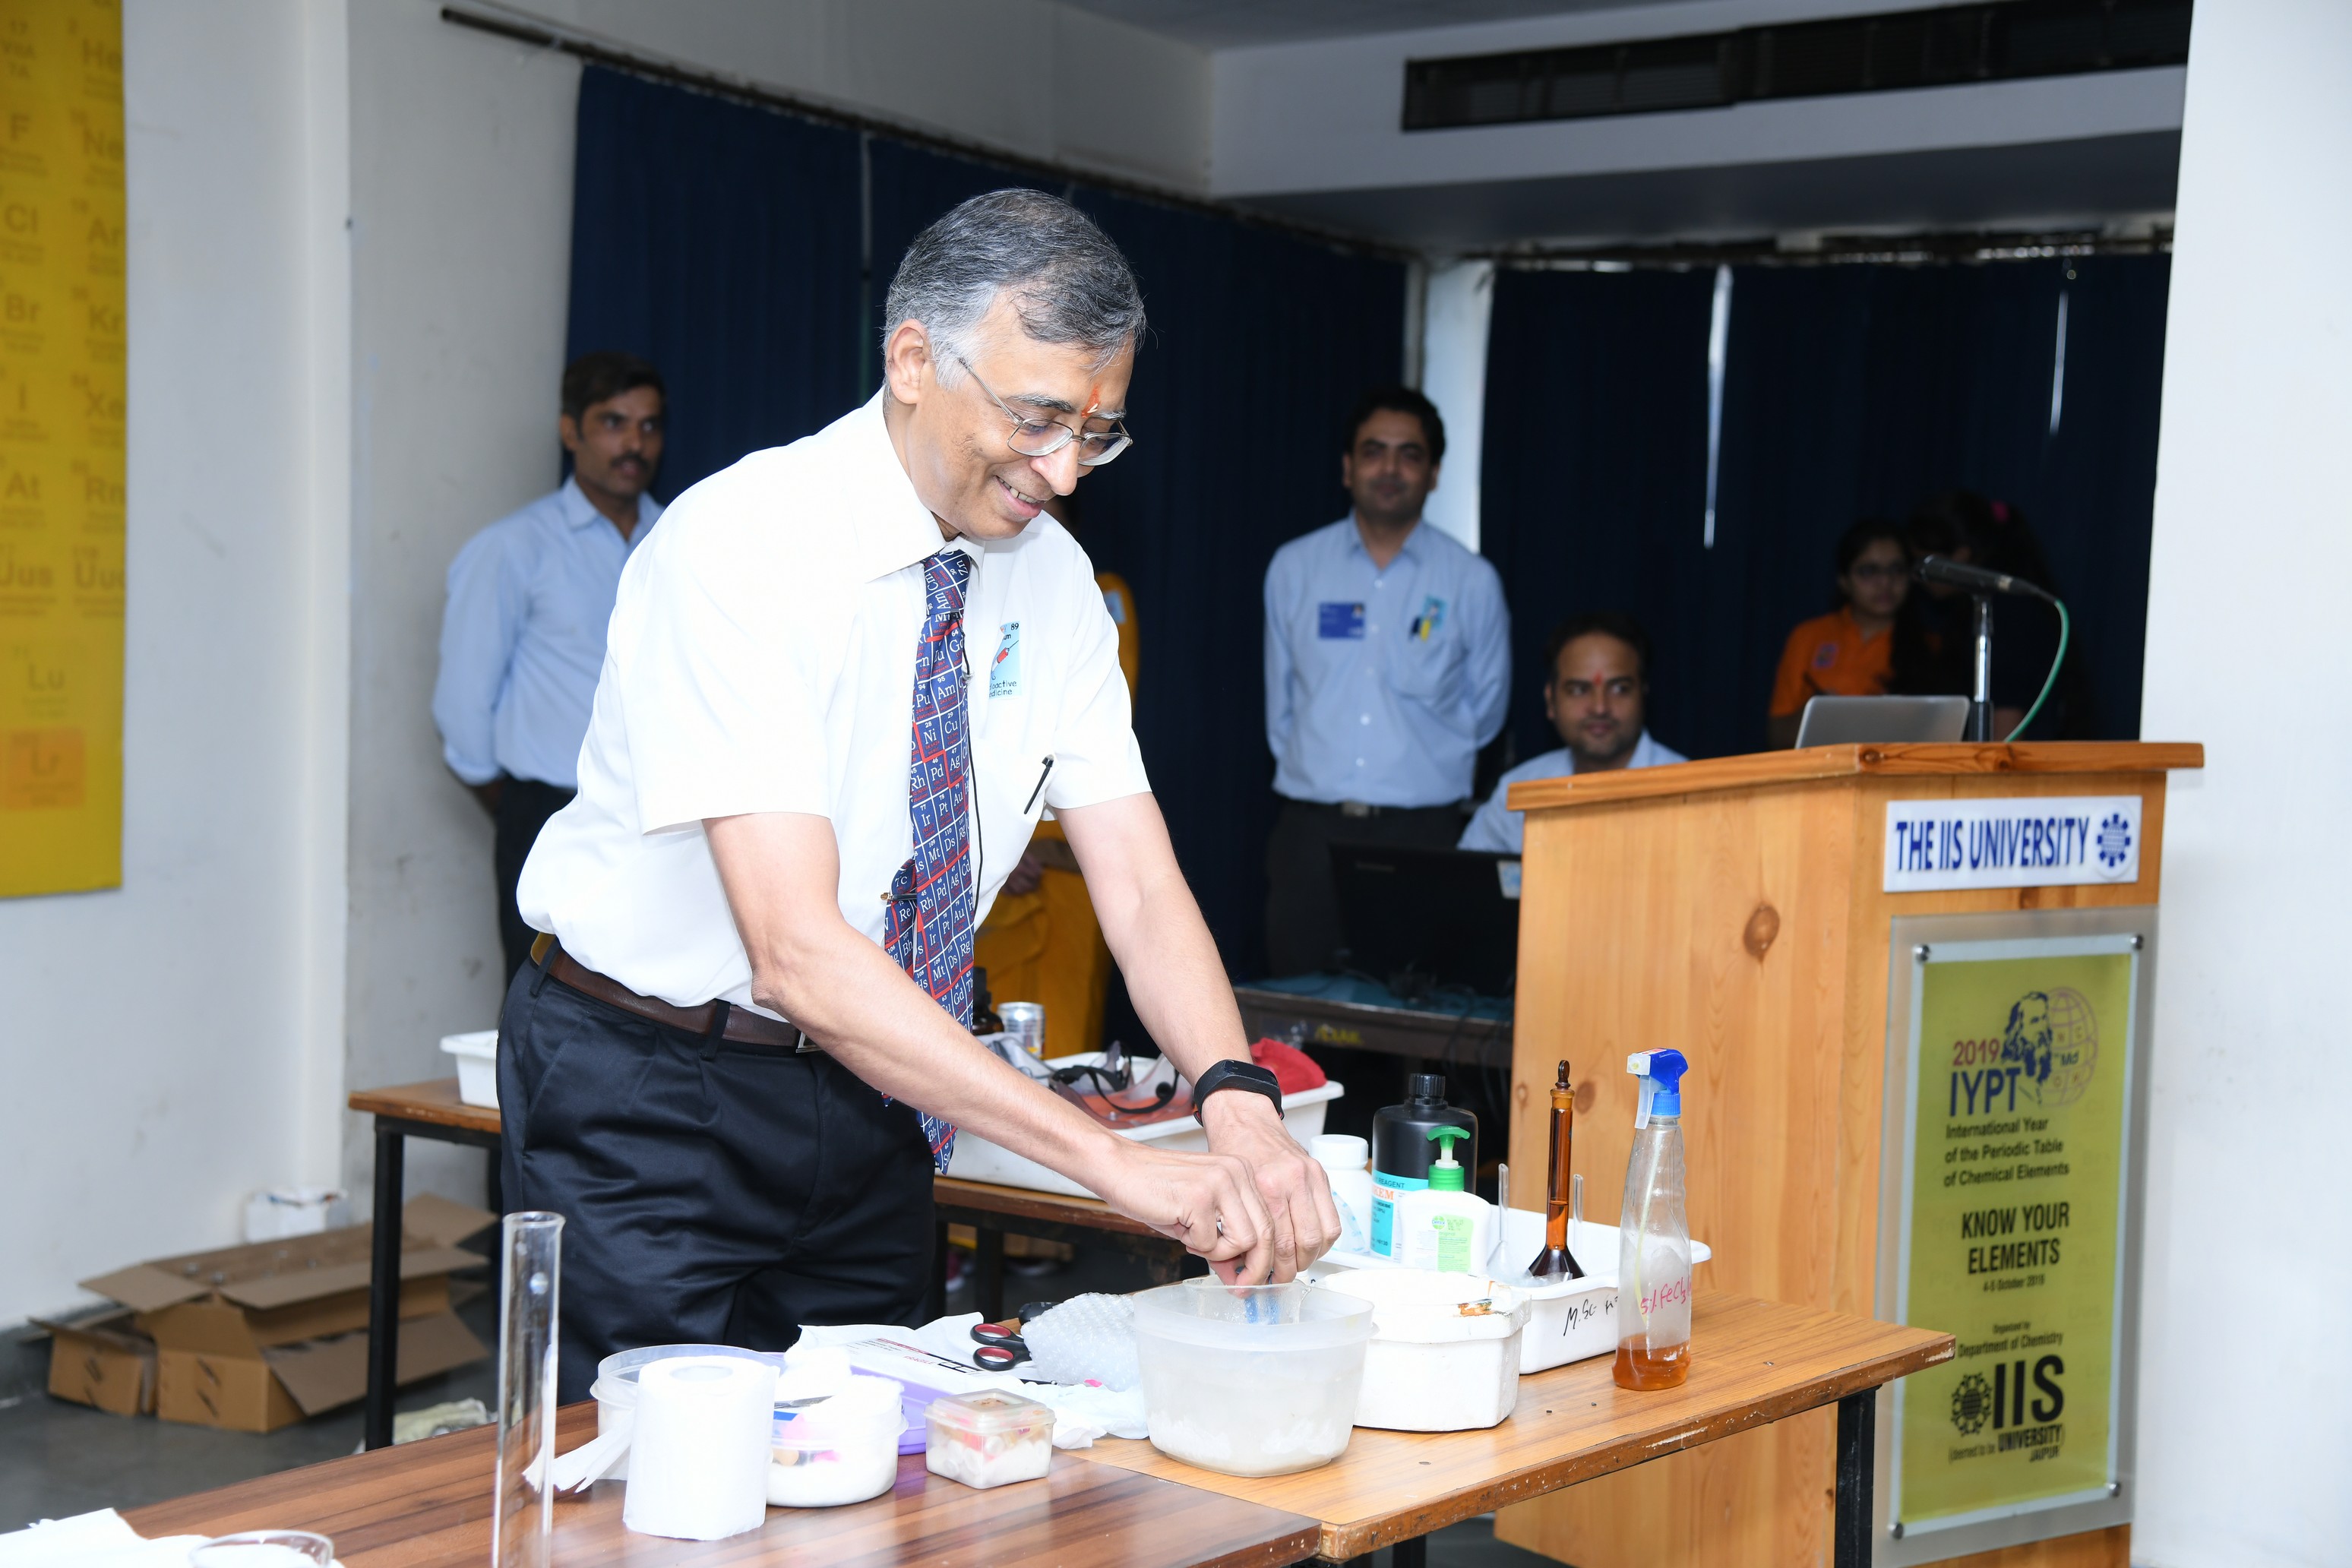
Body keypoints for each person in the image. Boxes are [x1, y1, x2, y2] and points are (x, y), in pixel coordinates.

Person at [503, 191, 1339, 1399]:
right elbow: (795, 952)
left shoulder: (1056, 585)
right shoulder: (742, 543)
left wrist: (1236, 1098)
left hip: (880, 1093)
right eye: (1037, 418)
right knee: (654, 1470)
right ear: (911, 360)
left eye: (1098, 431)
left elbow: (1142, 886)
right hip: (655, 1093)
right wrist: (1114, 1166)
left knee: (871, 1454)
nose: (1063, 470)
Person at [432, 352, 666, 979]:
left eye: (648, 426)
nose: (634, 444)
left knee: (653, 1008)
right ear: (570, 432)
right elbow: (461, 708)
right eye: (613, 423)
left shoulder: (678, 540)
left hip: (663, 823)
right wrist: (522, 808)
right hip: (548, 813)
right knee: (543, 1001)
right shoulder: (514, 548)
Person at [1262, 387, 1510, 975]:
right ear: (1348, 468)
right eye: (1374, 452)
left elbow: (1487, 712)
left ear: (1434, 473)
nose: (1390, 469)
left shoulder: (1471, 581)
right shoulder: (1295, 568)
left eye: (1409, 454)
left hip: (1423, 838)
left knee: (1418, 1009)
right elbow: (1282, 706)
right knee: (1296, 1006)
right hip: (1310, 835)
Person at [972, 487, 1138, 1059]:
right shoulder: (956, 591)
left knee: (1062, 1036)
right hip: (983, 854)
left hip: (1073, 849)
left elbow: (1096, 735)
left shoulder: (1100, 599)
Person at [1459, 612, 1687, 855]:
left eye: (1619, 689)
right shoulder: (1519, 792)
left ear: (1643, 694)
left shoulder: (1691, 791)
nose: (1600, 707)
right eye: (1579, 690)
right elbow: (1466, 874)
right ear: (1551, 701)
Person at [1766, 518, 1933, 748]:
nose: (1885, 582)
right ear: (1844, 580)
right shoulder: (1809, 636)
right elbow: (1777, 736)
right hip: (1819, 765)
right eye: (1869, 571)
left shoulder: (1930, 646)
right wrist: (1817, 712)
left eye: (1896, 570)